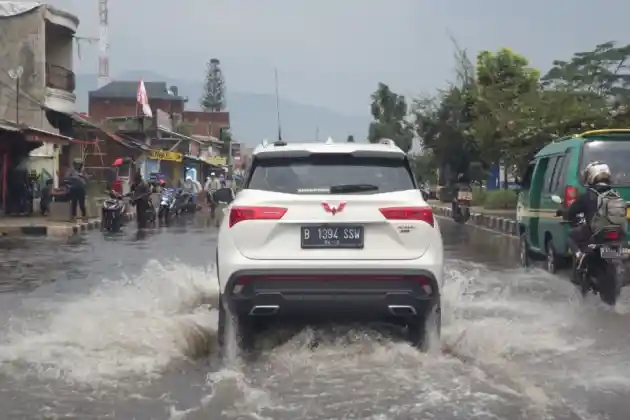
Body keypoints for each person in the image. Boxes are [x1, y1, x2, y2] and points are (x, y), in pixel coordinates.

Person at [562, 161, 625, 269]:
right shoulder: (615, 193)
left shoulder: (588, 195)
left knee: (571, 235)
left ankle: (579, 256)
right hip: (617, 231)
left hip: (595, 231)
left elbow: (572, 211)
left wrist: (568, 216)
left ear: (591, 176)